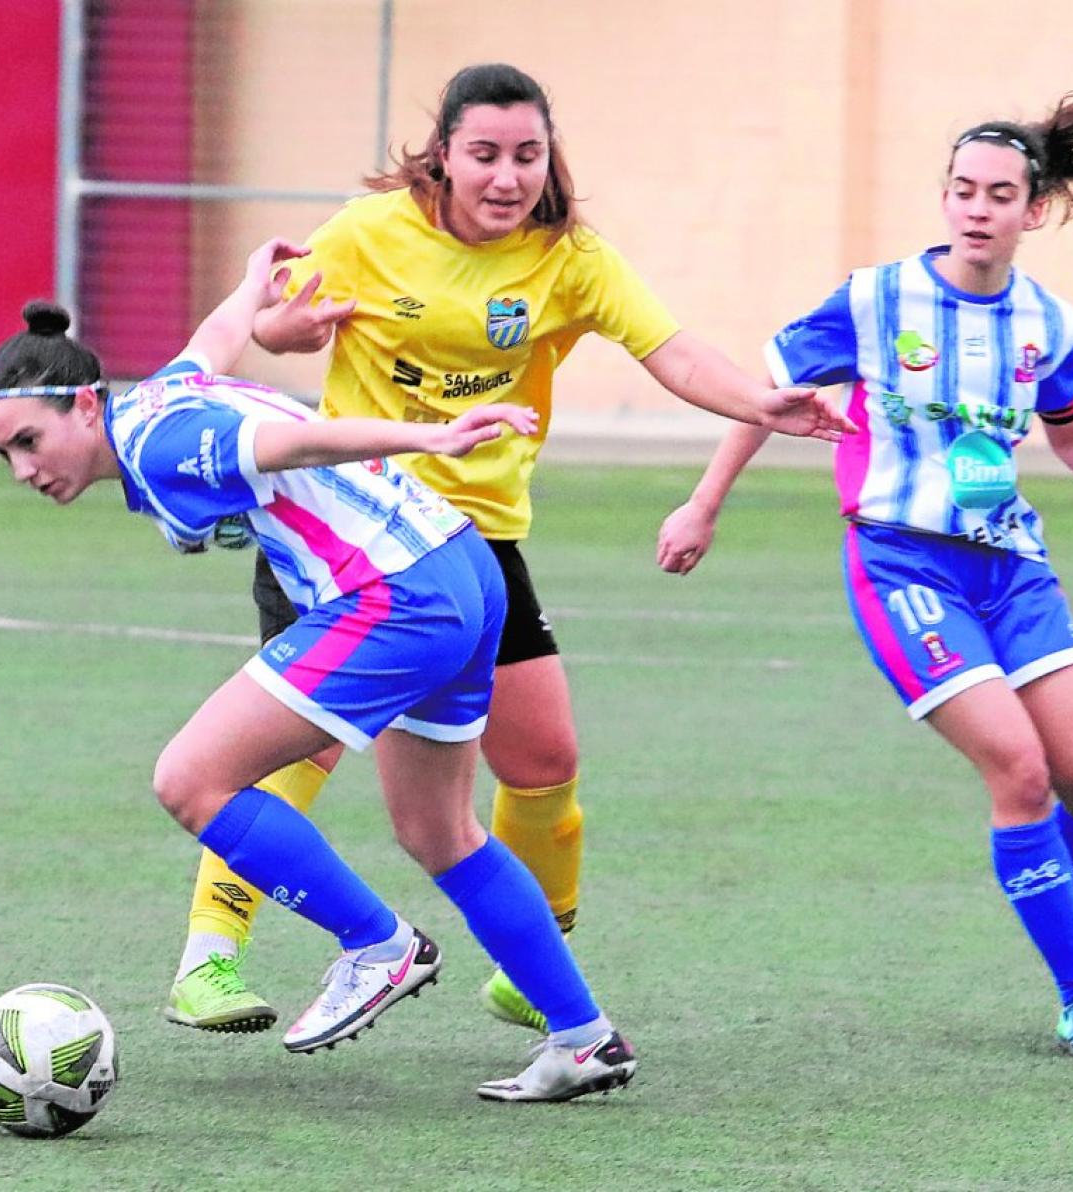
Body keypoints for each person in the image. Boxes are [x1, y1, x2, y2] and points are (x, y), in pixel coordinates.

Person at [165, 61, 855, 1035]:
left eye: (527, 155)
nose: (506, 176)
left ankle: (535, 961)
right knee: (295, 748)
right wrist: (289, 326)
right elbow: (271, 326)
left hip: (474, 550)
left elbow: (674, 349)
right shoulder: (369, 232)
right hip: (348, 538)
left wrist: (760, 402)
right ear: (441, 154)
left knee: (543, 756)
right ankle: (209, 962)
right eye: (484, 154)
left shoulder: (568, 259)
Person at [0, 237, 637, 1102]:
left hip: (398, 594)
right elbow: (212, 343)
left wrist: (433, 433)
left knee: (189, 779)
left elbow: (294, 441)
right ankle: (585, 1039)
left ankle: (377, 946)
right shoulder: (157, 399)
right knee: (441, 833)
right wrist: (249, 288)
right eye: (4, 455)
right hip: (461, 565)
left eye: (29, 440)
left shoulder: (167, 442)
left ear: (86, 408)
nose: (24, 469)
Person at [655, 58, 1073, 1056]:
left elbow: (1071, 432)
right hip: (903, 567)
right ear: (943, 197)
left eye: (1000, 194)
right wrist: (703, 503)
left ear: (1035, 210)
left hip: (1013, 567)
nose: (977, 210)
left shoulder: (1047, 321)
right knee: (1021, 772)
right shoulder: (874, 300)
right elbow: (765, 397)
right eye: (962, 191)